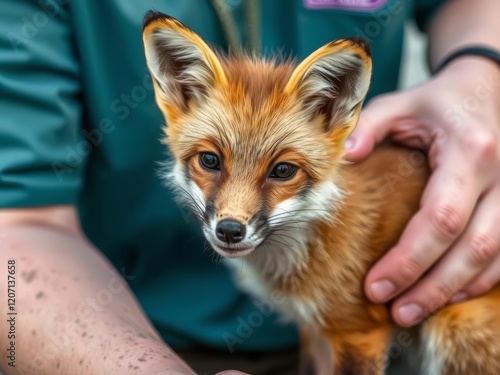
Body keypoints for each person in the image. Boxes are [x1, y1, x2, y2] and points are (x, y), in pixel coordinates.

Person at [0, 0, 499, 374]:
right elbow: (17, 225)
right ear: (178, 92)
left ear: (333, 114)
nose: (232, 214)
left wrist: (482, 71)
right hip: (122, 338)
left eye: (281, 173)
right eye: (210, 162)